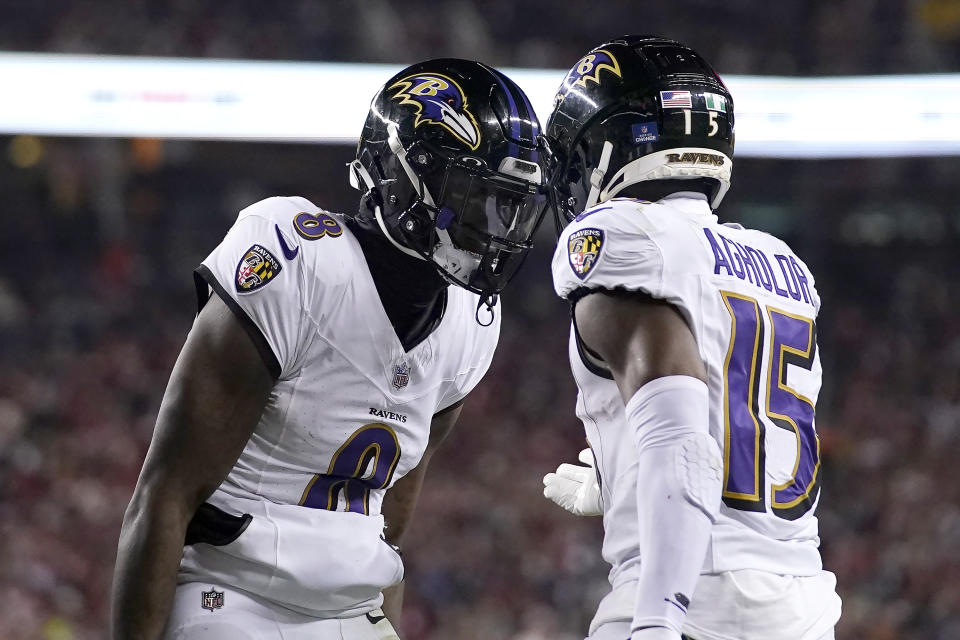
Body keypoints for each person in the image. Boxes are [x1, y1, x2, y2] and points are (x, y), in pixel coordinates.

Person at [111, 58, 547, 640]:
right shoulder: (299, 259)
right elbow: (164, 493)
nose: (495, 226)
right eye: (475, 196)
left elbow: (384, 533)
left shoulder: (470, 322)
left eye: (509, 204)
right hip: (230, 597)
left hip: (348, 613)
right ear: (401, 179)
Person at [541, 36, 842, 640]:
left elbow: (682, 440)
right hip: (802, 604)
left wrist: (657, 621)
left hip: (691, 599)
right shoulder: (779, 263)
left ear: (605, 149)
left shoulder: (629, 239)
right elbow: (733, 428)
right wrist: (626, 483)